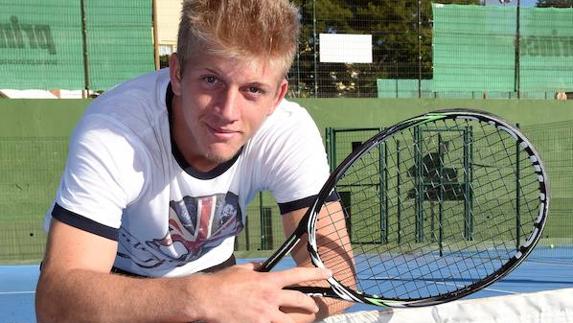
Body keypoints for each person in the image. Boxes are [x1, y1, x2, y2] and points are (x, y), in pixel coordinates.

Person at [35, 0, 353, 322]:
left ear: (277, 97)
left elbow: (336, 272)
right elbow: (57, 300)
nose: (227, 112)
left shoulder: (288, 132)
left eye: (253, 89)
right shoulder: (116, 131)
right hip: (115, 285)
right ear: (177, 74)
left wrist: (264, 314)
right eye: (211, 80)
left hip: (214, 275)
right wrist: (200, 298)